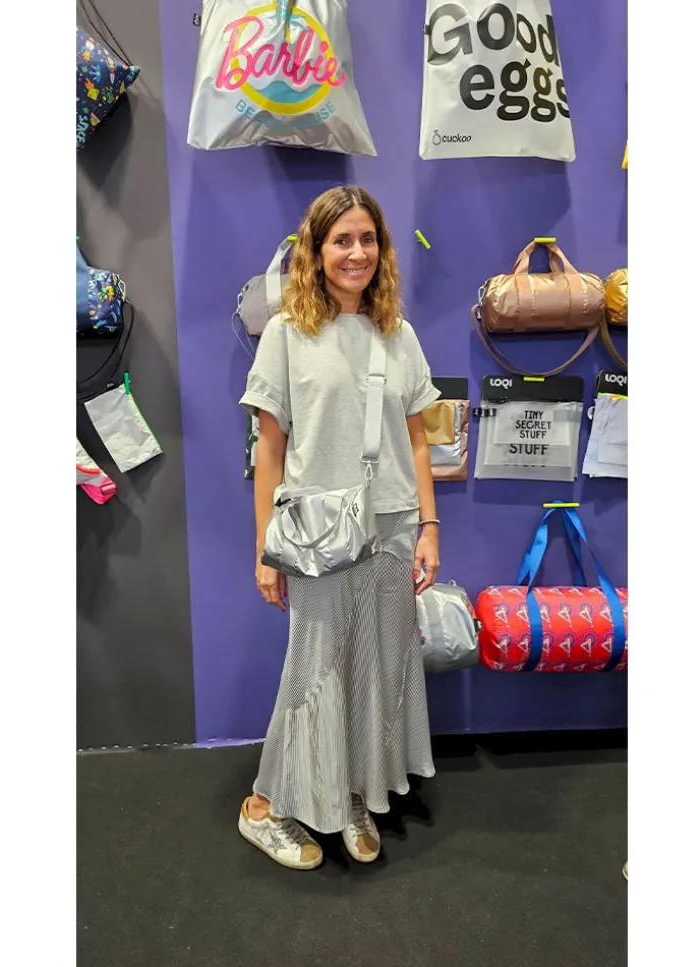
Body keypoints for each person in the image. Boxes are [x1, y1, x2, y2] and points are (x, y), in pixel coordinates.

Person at [237, 185, 442, 870]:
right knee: (314, 670)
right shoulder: (287, 334)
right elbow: (269, 450)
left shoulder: (399, 334)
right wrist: (266, 550)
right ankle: (265, 806)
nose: (357, 253)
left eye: (367, 239)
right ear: (316, 250)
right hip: (319, 531)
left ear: (382, 248)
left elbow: (418, 440)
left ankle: (351, 791)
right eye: (341, 240)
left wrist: (429, 526)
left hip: (393, 527)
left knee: (375, 668)